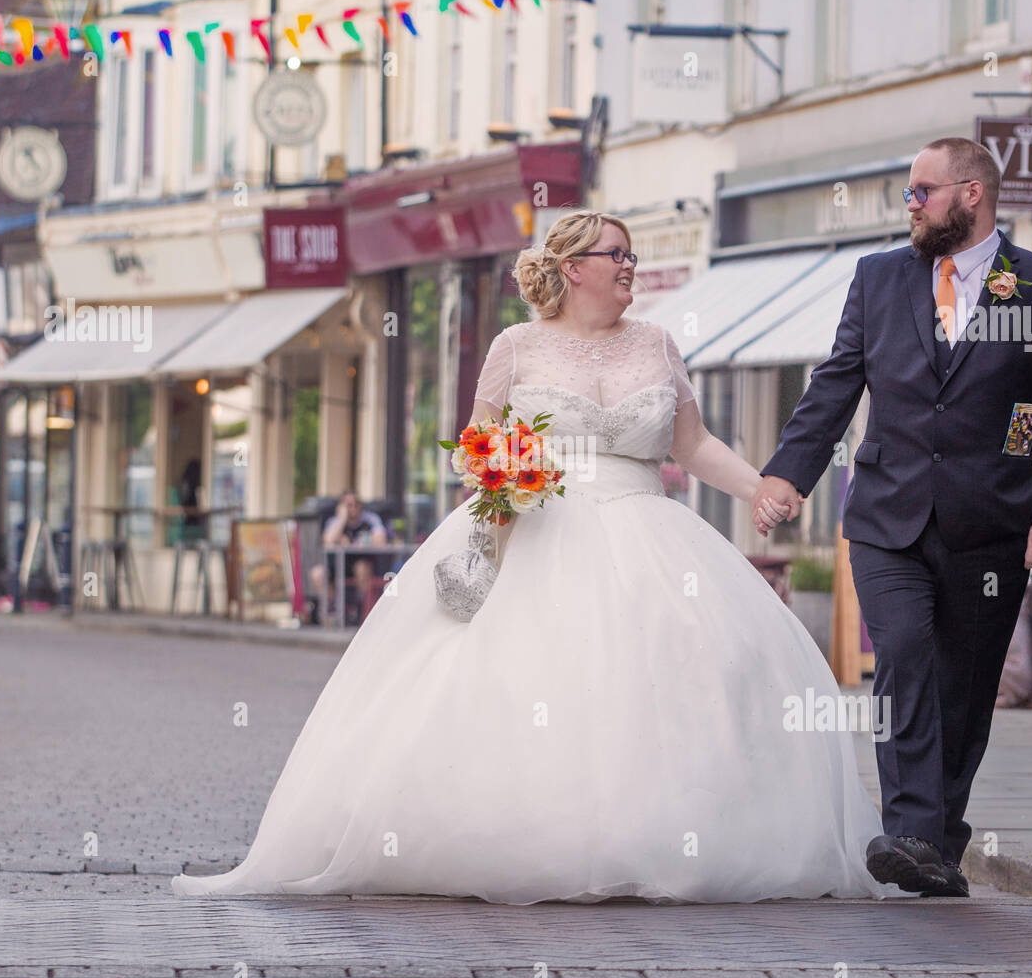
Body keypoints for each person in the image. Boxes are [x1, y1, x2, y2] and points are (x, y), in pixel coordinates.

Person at [173, 210, 894, 903]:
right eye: (618, 255)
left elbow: (691, 444)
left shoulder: (657, 344)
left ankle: (656, 836)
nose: (630, 269)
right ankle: (518, 836)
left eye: (633, 256)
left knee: (670, 677)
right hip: (536, 524)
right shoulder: (515, 348)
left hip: (646, 528)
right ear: (574, 268)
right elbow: (474, 447)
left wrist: (761, 489)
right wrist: (501, 473)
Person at [753, 137, 1032, 898]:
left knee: (964, 689)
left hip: (993, 522)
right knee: (903, 654)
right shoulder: (878, 279)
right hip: (885, 515)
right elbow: (836, 384)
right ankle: (908, 829)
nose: (911, 205)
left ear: (972, 195)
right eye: (910, 193)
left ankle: (938, 845)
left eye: (922, 192)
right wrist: (787, 475)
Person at [307, 491, 389, 625]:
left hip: (360, 562)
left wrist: (358, 541)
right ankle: (334, 609)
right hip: (336, 565)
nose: (353, 508)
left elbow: (381, 540)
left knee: (361, 569)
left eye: (356, 504)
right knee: (317, 574)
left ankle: (360, 609)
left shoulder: (369, 519)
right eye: (348, 505)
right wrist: (342, 519)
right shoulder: (334, 521)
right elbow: (328, 541)